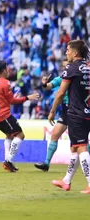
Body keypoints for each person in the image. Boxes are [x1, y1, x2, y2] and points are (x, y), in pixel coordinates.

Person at [48, 40, 90, 193]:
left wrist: (52, 111)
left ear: (75, 53)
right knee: (74, 147)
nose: (66, 53)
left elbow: (60, 93)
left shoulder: (72, 68)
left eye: (68, 50)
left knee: (81, 147)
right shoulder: (88, 68)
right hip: (87, 112)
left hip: (76, 113)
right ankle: (66, 181)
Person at [0, 61, 40, 172]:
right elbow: (12, 101)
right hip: (3, 115)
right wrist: (27, 97)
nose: (8, 71)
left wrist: (11, 98)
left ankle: (8, 162)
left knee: (9, 135)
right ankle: (8, 160)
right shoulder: (6, 83)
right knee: (20, 135)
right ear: (3, 71)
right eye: (7, 69)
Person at [34, 61, 70, 172]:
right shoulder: (62, 78)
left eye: (66, 66)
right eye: (63, 67)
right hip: (66, 110)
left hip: (76, 109)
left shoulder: (78, 78)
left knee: (80, 141)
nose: (64, 68)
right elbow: (49, 86)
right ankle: (46, 163)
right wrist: (44, 83)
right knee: (55, 135)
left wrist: (52, 111)